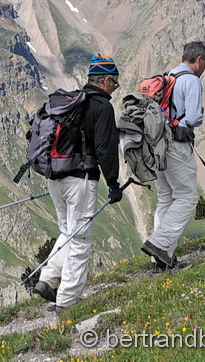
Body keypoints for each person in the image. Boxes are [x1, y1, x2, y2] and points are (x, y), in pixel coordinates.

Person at [34, 54, 122, 312]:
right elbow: (106, 149)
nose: (115, 88)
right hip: (80, 179)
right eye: (114, 83)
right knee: (80, 238)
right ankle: (67, 302)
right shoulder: (102, 107)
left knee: (67, 231)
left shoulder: (72, 102)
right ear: (105, 80)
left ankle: (48, 280)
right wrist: (114, 183)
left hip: (55, 178)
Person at [141, 41, 205, 270]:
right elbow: (193, 117)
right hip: (177, 145)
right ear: (199, 59)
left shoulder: (168, 76)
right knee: (188, 197)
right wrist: (197, 115)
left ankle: (161, 258)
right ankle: (160, 244)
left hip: (157, 144)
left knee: (166, 197)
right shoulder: (191, 80)